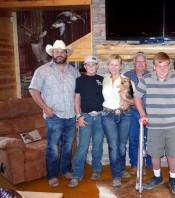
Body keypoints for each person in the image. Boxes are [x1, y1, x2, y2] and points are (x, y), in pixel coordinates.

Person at [134, 52, 175, 195]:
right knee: (154, 154)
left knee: (172, 154)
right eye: (159, 66)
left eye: (165, 66)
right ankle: (157, 177)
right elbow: (137, 97)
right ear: (154, 67)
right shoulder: (146, 79)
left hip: (173, 125)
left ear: (169, 66)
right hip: (154, 125)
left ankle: (173, 179)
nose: (162, 70)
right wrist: (143, 114)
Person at [29, 40, 80, 187]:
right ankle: (51, 175)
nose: (60, 54)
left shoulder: (74, 72)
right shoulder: (42, 70)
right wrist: (45, 108)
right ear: (52, 53)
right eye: (56, 51)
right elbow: (33, 90)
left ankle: (65, 170)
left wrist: (78, 114)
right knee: (52, 147)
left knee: (68, 146)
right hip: (54, 116)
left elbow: (78, 94)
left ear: (66, 54)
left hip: (71, 115)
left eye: (62, 51)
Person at [68, 55, 105, 188]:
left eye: (93, 65)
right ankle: (77, 174)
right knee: (82, 146)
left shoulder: (102, 80)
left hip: (100, 117)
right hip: (85, 117)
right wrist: (78, 116)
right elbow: (76, 99)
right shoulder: (79, 80)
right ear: (84, 66)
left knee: (97, 145)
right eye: (88, 65)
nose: (91, 67)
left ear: (97, 66)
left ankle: (96, 169)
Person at [101, 54, 135, 187]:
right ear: (108, 65)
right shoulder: (105, 79)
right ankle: (116, 175)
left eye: (116, 65)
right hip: (108, 115)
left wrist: (126, 99)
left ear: (120, 66)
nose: (114, 67)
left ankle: (121, 168)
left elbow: (134, 100)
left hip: (125, 115)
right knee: (113, 146)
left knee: (122, 146)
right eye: (111, 64)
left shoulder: (126, 80)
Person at [124, 51, 152, 175]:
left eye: (142, 61)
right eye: (138, 61)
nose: (140, 63)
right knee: (134, 139)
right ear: (134, 63)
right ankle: (135, 164)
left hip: (149, 113)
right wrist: (136, 103)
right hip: (132, 113)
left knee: (150, 139)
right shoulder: (127, 76)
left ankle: (149, 164)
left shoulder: (152, 76)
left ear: (146, 64)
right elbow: (124, 96)